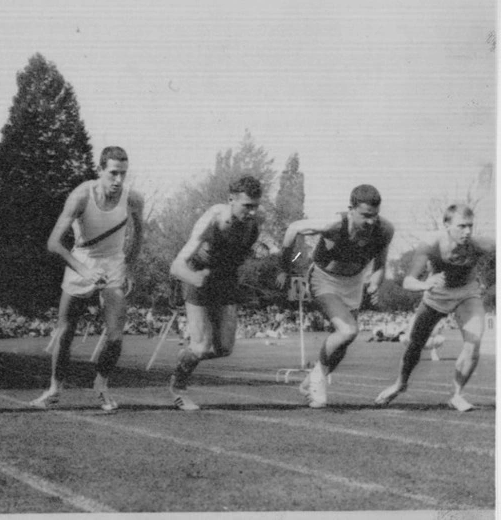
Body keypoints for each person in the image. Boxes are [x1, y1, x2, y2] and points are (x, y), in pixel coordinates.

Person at [31, 146, 144, 411]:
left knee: (116, 336)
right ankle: (54, 389)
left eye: (123, 174)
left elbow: (139, 235)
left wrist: (129, 267)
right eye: (113, 173)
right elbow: (53, 243)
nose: (118, 180)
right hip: (82, 260)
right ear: (100, 170)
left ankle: (101, 385)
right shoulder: (82, 195)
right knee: (64, 331)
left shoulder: (133, 199)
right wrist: (84, 270)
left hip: (114, 262)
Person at [276, 184, 394, 408]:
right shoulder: (334, 225)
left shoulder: (385, 230)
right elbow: (294, 228)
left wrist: (375, 284)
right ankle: (318, 379)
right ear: (351, 209)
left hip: (355, 283)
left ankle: (311, 379)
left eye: (375, 216)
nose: (371, 222)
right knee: (348, 330)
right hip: (324, 279)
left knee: (342, 344)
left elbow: (380, 265)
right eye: (365, 216)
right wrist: (284, 267)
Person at [375, 204, 494, 411]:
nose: (467, 232)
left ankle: (457, 395)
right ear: (447, 225)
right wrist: (424, 284)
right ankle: (400, 384)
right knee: (415, 345)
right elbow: (408, 281)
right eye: (461, 226)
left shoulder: (482, 244)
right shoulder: (431, 244)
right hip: (436, 295)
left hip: (467, 293)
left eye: (470, 226)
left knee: (474, 342)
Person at [168, 175, 262, 411]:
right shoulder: (212, 220)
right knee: (201, 346)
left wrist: (289, 260)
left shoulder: (254, 225)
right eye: (246, 206)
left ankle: (186, 355)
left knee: (224, 349)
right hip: (199, 275)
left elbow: (264, 252)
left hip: (225, 280)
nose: (251, 212)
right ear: (231, 200)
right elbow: (176, 266)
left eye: (255, 206)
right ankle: (178, 388)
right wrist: (195, 279)